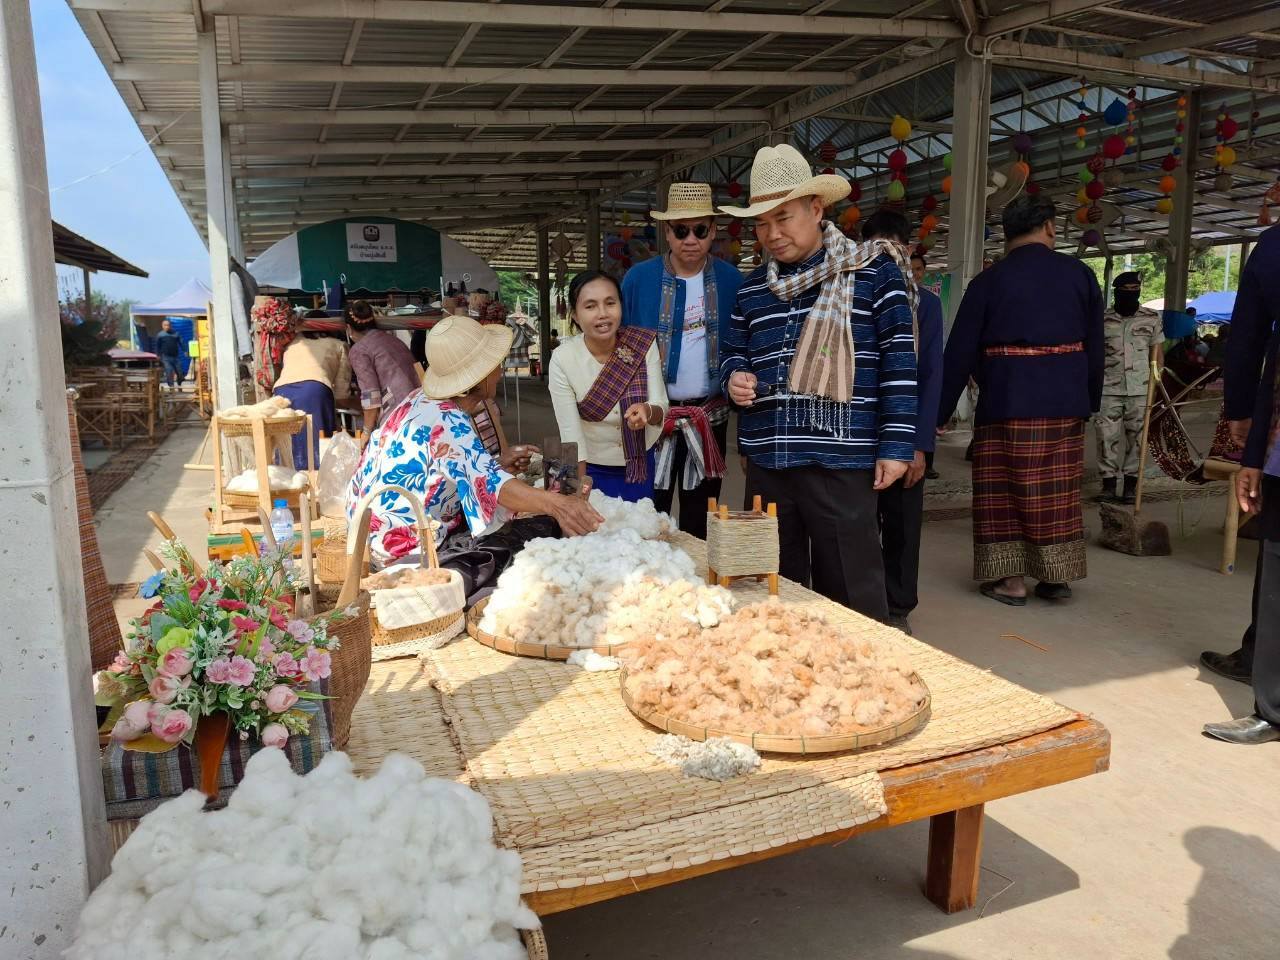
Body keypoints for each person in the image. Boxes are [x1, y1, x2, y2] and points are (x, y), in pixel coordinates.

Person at [720, 143, 918, 622]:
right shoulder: (751, 289)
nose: (772, 234)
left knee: (850, 583)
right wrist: (734, 379)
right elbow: (732, 352)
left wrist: (896, 445)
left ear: (816, 208)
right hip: (768, 458)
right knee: (773, 583)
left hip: (842, 459)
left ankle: (861, 678)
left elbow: (900, 362)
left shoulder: (872, 273)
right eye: (761, 223)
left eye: (783, 218)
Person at [346, 314, 603, 584]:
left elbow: (445, 468)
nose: (499, 371)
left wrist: (498, 464)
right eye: (494, 365)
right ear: (478, 377)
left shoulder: (418, 400)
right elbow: (498, 489)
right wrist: (560, 506)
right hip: (405, 556)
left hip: (368, 541)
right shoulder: (449, 420)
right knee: (538, 530)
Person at [937, 194, 1104, 606]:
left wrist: (937, 415)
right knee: (1057, 493)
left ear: (1007, 234)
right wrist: (1089, 399)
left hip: (1007, 400)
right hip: (1065, 401)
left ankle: (1011, 582)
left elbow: (958, 352)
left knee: (1005, 492)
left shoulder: (988, 282)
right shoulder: (1080, 275)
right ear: (1048, 227)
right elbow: (1096, 347)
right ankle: (1055, 578)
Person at [622, 181, 744, 538]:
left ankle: (693, 590)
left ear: (713, 231)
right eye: (681, 230)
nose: (691, 239)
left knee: (699, 520)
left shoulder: (733, 281)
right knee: (647, 515)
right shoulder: (638, 280)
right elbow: (622, 347)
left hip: (708, 418)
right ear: (667, 233)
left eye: (700, 229)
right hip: (650, 420)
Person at [1203, 223, 1280, 744]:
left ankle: (1272, 708)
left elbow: (1252, 338)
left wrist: (1246, 432)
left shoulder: (1274, 248)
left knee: (1278, 565)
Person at [861, 210, 942, 633]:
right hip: (858, 431)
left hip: (905, 433)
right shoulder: (851, 300)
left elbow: (931, 376)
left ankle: (897, 608)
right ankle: (862, 601)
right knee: (858, 521)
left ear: (907, 252)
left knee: (902, 524)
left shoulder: (926, 306)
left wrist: (918, 443)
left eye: (893, 251)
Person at [549, 271, 668, 502]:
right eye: (590, 306)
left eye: (610, 303)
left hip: (639, 464)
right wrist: (578, 495)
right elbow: (571, 436)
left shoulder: (642, 344)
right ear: (574, 314)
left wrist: (647, 411)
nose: (603, 314)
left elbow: (661, 404)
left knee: (639, 532)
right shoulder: (563, 359)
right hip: (591, 468)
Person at [1096, 272, 1163, 504]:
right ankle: (1108, 484)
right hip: (1108, 389)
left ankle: (1131, 486)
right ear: (1116, 291)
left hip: (1141, 389)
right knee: (1106, 437)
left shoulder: (1151, 318)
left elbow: (1157, 353)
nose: (1132, 294)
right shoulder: (1102, 319)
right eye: (1127, 290)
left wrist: (1156, 384)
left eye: (1136, 290)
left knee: (1138, 439)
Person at [272, 314, 352, 468]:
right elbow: (342, 392)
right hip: (315, 390)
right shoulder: (339, 345)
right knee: (318, 443)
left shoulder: (292, 344)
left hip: (282, 391)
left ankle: (289, 482)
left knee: (287, 442)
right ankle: (317, 483)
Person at [346, 299, 422, 436]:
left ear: (348, 328)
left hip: (398, 413)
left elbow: (371, 396)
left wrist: (366, 432)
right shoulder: (393, 340)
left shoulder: (358, 350)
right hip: (420, 403)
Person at [154, 318, 184, 388]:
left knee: (180, 373)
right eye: (165, 325)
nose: (167, 327)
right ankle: (171, 387)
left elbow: (181, 343)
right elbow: (157, 346)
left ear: (171, 326)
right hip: (166, 358)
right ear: (162, 326)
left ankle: (179, 384)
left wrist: (185, 351)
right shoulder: (160, 335)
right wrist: (158, 355)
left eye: (168, 325)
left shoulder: (176, 334)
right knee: (169, 372)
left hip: (176, 357)